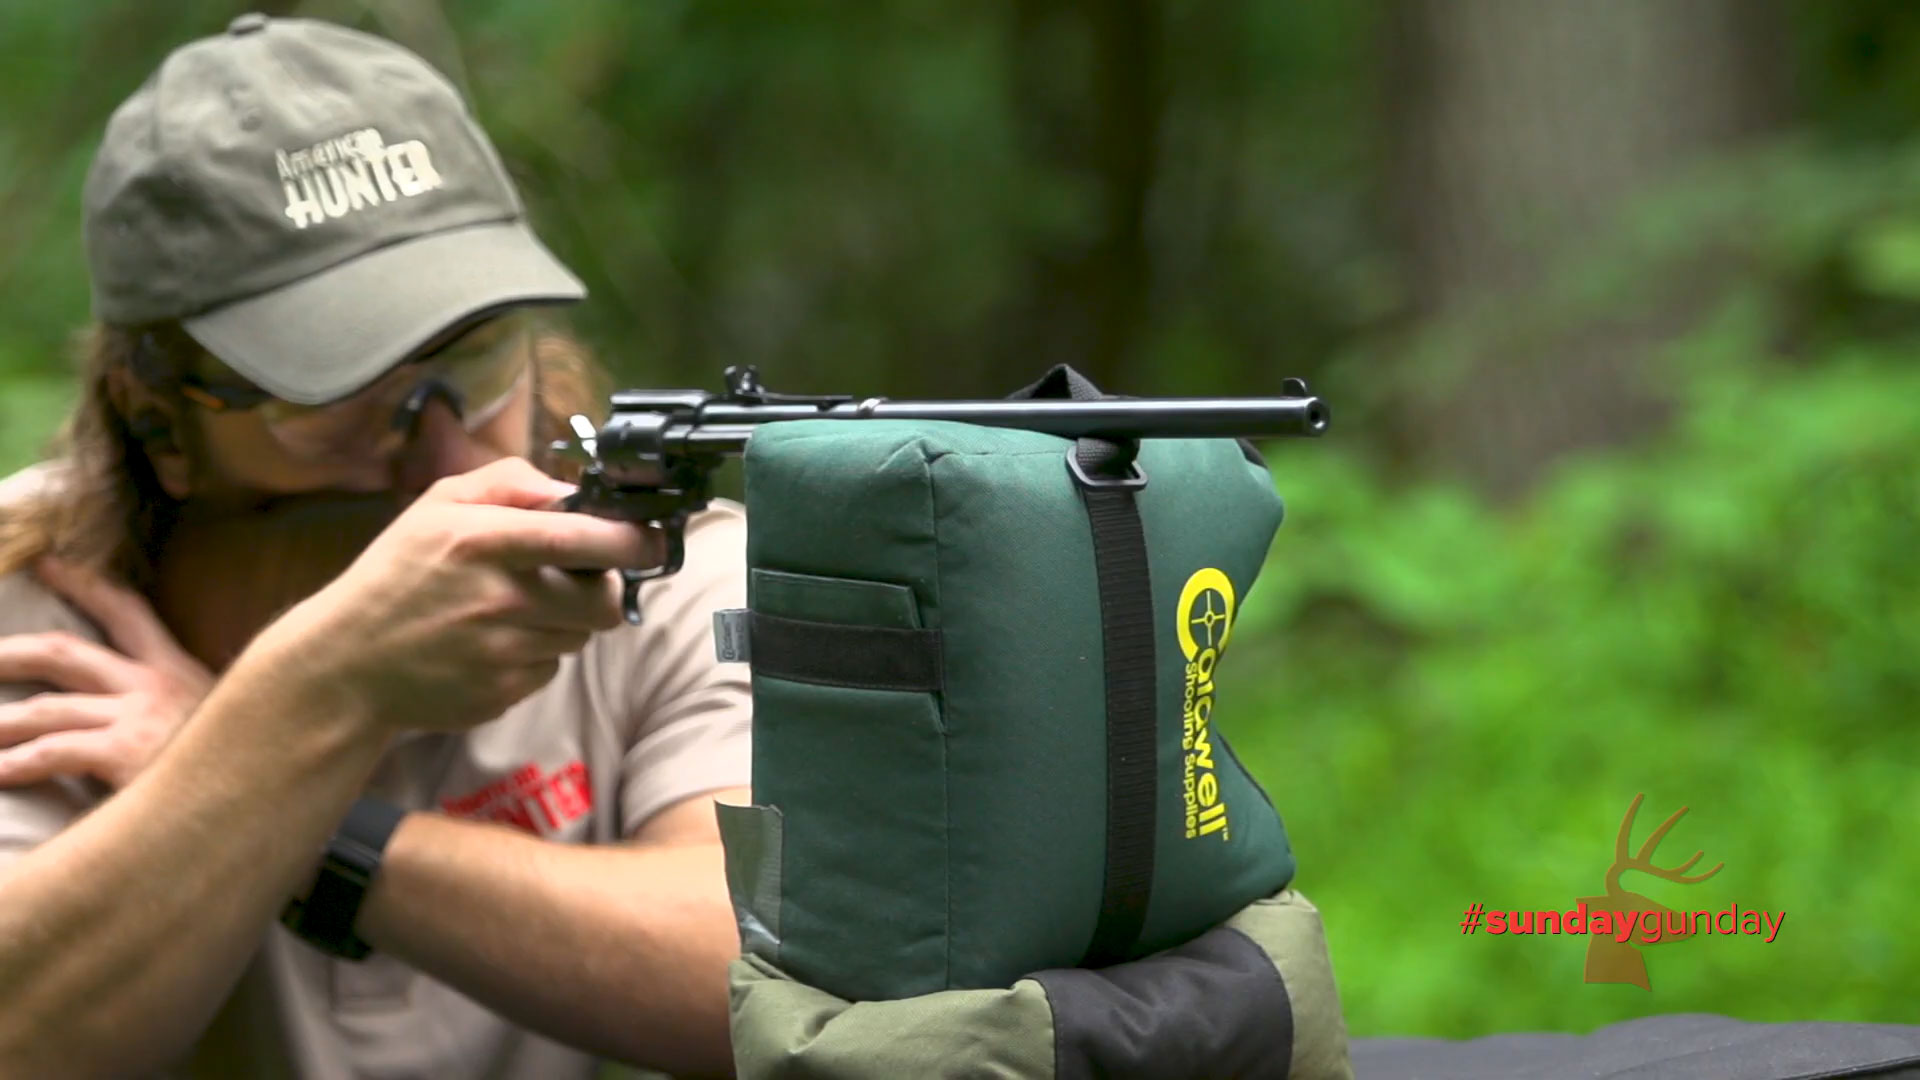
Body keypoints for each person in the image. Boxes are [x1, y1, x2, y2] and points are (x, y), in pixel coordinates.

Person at [0, 14, 749, 1079]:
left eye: (478, 356)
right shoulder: (37, 602)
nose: (445, 457)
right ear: (162, 422)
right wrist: (314, 698)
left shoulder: (665, 565)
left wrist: (249, 776)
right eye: (342, 394)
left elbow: (751, 985)